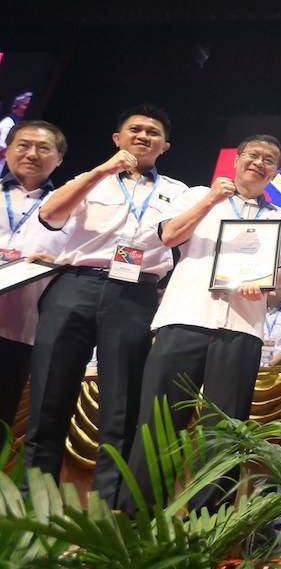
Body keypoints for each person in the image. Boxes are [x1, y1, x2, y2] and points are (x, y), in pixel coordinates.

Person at [120, 134, 281, 513]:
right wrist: (211, 200)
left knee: (224, 431)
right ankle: (136, 520)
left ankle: (209, 525)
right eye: (252, 154)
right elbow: (169, 235)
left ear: (276, 171)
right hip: (185, 317)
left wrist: (267, 288)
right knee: (159, 422)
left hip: (241, 329)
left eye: (269, 159)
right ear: (237, 159)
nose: (259, 162)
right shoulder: (197, 194)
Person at [25, 104, 187, 505]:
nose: (143, 136)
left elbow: (178, 238)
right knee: (49, 401)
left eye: (153, 132)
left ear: (165, 146)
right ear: (118, 138)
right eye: (135, 129)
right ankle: (31, 509)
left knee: (121, 408)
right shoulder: (90, 179)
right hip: (75, 286)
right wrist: (101, 170)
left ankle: (105, 515)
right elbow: (49, 214)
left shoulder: (180, 191)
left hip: (134, 294)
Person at [0, 121, 68, 442]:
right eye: (23, 145)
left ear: (59, 159)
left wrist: (62, 263)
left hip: (22, 330)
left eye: (43, 148)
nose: (31, 154)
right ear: (8, 150)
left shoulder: (72, 207)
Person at [0, 92, 32, 176]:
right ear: (15, 107)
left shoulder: (19, 125)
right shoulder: (7, 125)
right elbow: (2, 152)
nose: (29, 109)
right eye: (26, 105)